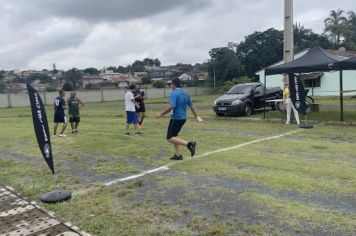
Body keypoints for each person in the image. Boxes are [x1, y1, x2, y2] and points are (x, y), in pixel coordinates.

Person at [155, 78, 203, 160]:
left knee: (170, 138)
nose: (170, 86)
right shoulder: (185, 93)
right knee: (174, 136)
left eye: (171, 84)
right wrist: (196, 116)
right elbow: (192, 106)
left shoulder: (174, 94)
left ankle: (189, 144)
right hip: (183, 118)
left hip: (176, 118)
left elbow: (171, 106)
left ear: (173, 84)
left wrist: (161, 114)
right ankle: (178, 155)